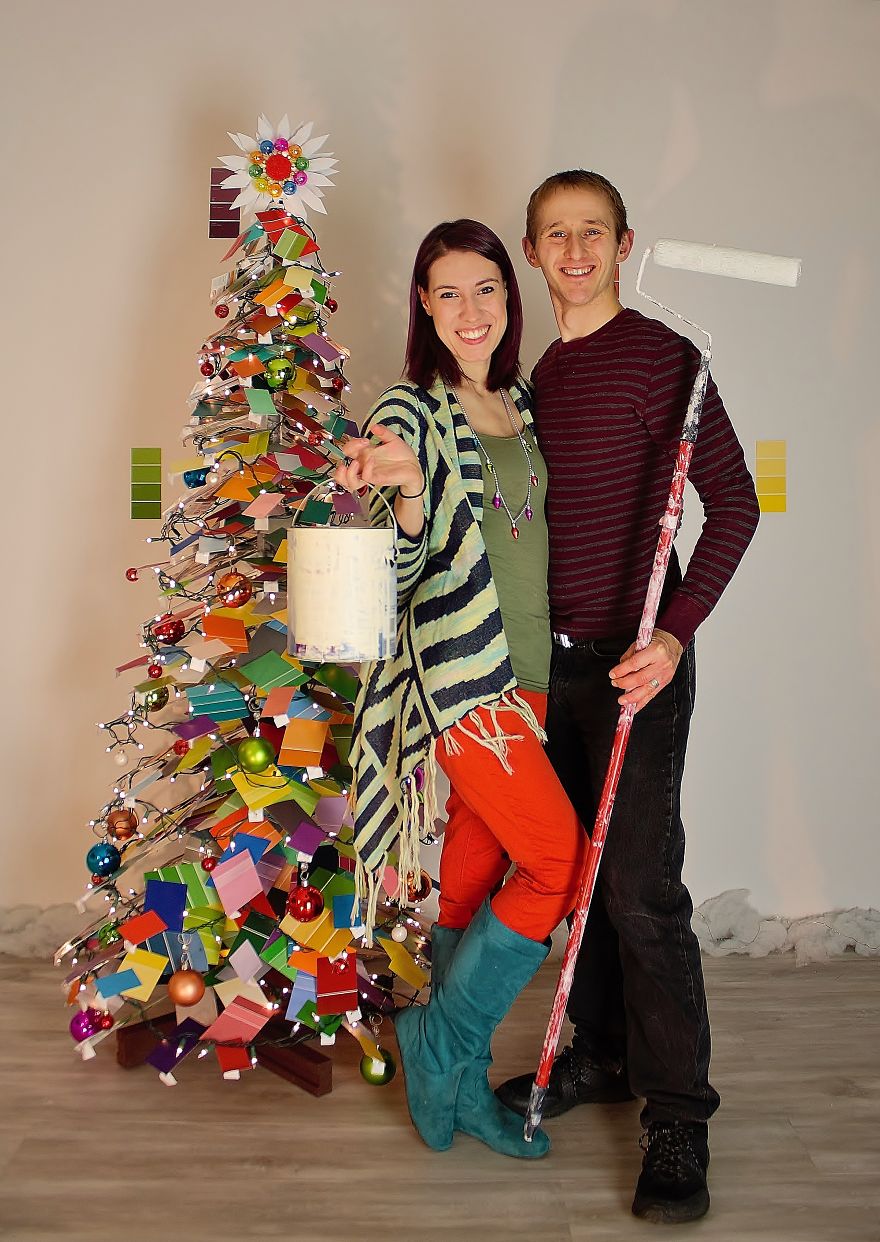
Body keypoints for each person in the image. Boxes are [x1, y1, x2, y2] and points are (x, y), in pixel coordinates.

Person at [495, 171, 761, 1222]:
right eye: (553, 234)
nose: (572, 249)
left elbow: (734, 504)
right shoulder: (534, 380)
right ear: (531, 251)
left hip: (637, 662)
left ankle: (679, 1117)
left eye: (590, 232)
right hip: (551, 667)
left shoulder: (667, 359)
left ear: (622, 244)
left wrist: (671, 634)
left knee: (643, 894)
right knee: (581, 882)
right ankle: (598, 1059)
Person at [334, 219, 584, 1161]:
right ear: (424, 307)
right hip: (466, 684)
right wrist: (399, 488)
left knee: (477, 881)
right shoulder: (413, 408)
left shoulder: (520, 397)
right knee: (557, 866)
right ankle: (435, 1044)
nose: (470, 310)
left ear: (508, 301)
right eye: (449, 293)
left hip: (539, 678)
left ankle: (463, 1084)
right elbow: (397, 574)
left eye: (487, 289)